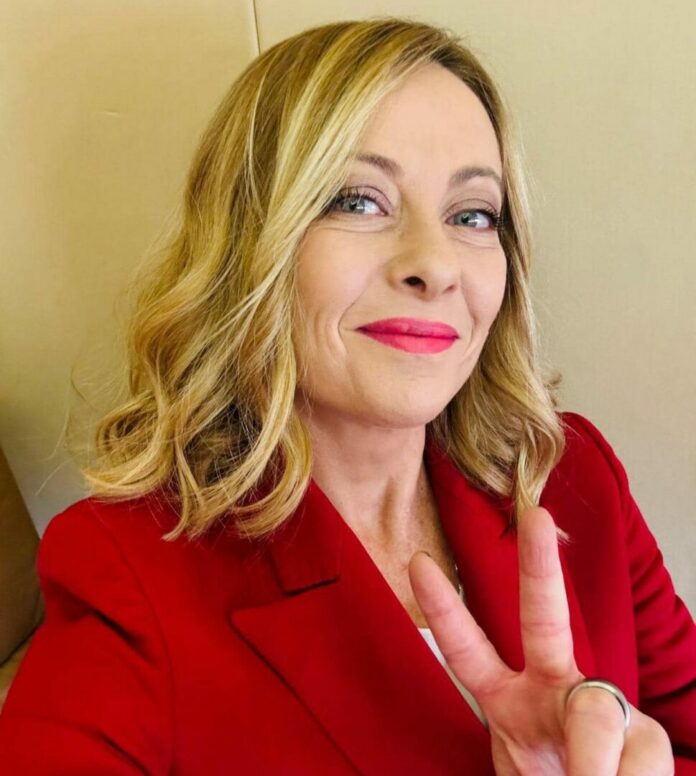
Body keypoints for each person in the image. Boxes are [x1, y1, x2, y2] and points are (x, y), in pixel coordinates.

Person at [0, 16, 694, 775]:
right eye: (358, 201)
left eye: (472, 215)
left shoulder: (572, 473)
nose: (436, 264)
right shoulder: (128, 572)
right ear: (250, 245)